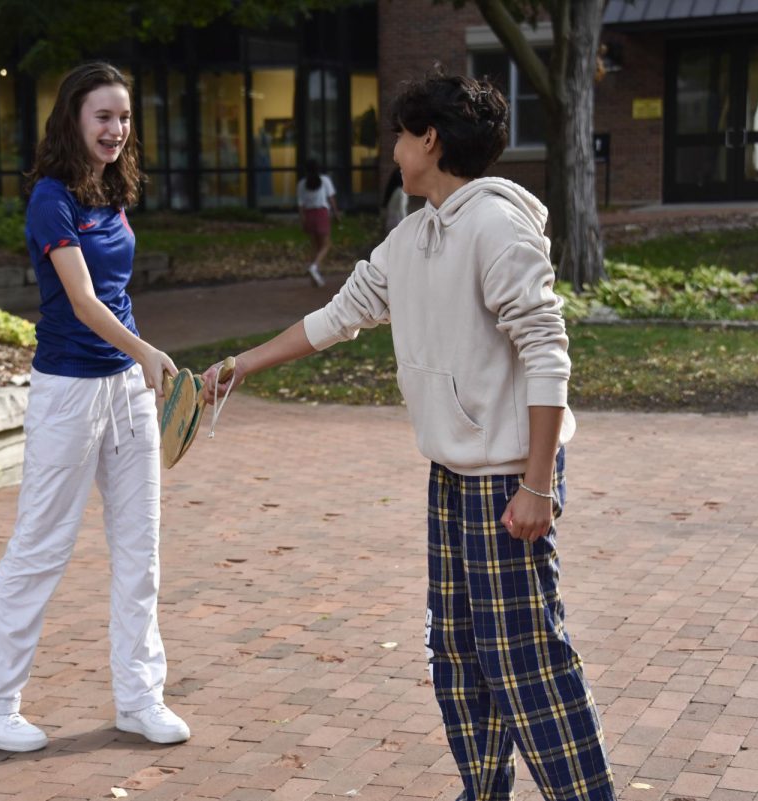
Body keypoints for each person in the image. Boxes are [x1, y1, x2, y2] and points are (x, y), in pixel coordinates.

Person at [206, 71, 615, 801]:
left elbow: (548, 352)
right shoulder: (413, 235)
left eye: (399, 134)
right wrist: (243, 363)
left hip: (507, 476)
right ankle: (483, 789)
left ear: (429, 139)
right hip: (452, 475)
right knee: (457, 650)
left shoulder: (496, 226)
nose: (392, 149)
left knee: (525, 658)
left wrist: (536, 484)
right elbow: (340, 316)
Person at [0, 61, 191, 752]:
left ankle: (140, 698)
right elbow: (82, 302)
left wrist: (141, 361)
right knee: (40, 547)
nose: (115, 129)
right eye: (102, 117)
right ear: (73, 121)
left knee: (140, 552)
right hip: (68, 393)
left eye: (122, 117)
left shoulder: (110, 191)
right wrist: (147, 351)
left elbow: (115, 295)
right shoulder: (50, 199)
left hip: (126, 392)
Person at [296, 158, 339, 288]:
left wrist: (303, 220)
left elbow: (301, 205)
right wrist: (336, 214)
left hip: (309, 215)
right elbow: (331, 199)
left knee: (315, 246)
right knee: (326, 244)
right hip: (321, 213)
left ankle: (315, 277)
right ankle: (314, 267)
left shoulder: (302, 184)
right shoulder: (325, 180)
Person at [381, 167, 408, 234]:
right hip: (399, 227)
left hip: (391, 225)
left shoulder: (393, 191)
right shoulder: (402, 192)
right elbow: (402, 210)